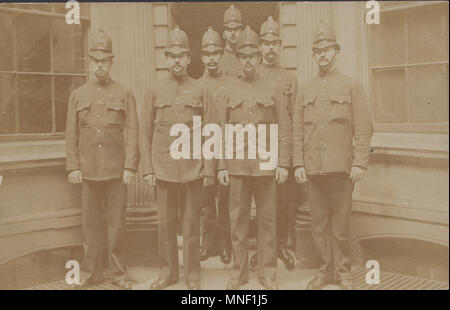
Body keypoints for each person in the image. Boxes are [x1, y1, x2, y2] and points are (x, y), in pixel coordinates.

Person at [293, 22, 372, 290]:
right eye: (317, 51)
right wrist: (298, 163)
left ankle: (344, 273)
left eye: (327, 49)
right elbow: (296, 131)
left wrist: (360, 161)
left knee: (341, 225)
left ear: (336, 51)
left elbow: (363, 127)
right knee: (318, 225)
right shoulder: (305, 89)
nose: (322, 55)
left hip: (342, 168)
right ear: (313, 55)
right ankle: (325, 272)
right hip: (314, 169)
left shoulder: (352, 86)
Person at [139, 25, 216, 290]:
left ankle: (193, 275)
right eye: (172, 55)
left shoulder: (201, 90)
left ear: (189, 58)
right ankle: (168, 273)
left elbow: (211, 133)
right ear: (166, 58)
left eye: (182, 55)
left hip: (193, 169)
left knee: (192, 225)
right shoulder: (154, 90)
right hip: (163, 169)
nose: (177, 60)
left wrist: (209, 170)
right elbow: (144, 132)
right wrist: (147, 169)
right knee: (166, 225)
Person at [217, 26, 292, 290]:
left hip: (265, 165)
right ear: (238, 58)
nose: (248, 60)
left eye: (252, 55)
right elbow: (222, 130)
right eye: (243, 56)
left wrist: (283, 163)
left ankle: (268, 273)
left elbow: (284, 127)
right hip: (237, 166)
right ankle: (238, 273)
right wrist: (222, 165)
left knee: (267, 221)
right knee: (237, 222)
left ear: (259, 56)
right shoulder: (228, 89)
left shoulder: (273, 88)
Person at [65, 30, 138, 290]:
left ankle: (118, 276)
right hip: (87, 171)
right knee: (89, 226)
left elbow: (133, 132)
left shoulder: (124, 93)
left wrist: (130, 166)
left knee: (117, 225)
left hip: (116, 171)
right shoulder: (78, 94)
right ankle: (89, 274)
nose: (99, 65)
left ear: (111, 61)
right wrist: (73, 166)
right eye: (95, 60)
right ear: (89, 61)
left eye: (104, 60)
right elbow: (71, 134)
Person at [249, 16, 299, 271]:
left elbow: (294, 120)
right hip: (258, 151)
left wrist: (288, 158)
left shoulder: (290, 80)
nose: (270, 48)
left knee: (283, 204)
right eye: (265, 43)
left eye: (274, 43)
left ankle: (280, 246)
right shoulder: (251, 77)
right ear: (259, 47)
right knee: (262, 205)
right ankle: (261, 249)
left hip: (282, 150)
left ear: (281, 46)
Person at [198, 26, 232, 265]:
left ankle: (225, 245)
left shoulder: (231, 84)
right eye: (207, 54)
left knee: (227, 201)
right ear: (201, 56)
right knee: (205, 201)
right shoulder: (197, 85)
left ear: (221, 55)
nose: (211, 58)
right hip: (204, 151)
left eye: (215, 53)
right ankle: (207, 244)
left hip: (228, 149)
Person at [219, 4, 244, 79]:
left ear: (241, 32)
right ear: (223, 34)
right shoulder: (219, 60)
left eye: (236, 29)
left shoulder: (248, 57)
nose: (233, 33)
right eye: (229, 29)